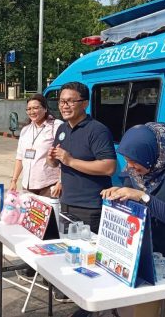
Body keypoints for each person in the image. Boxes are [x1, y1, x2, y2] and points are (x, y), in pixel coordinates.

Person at [101, 123, 165, 317]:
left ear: (150, 155)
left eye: (133, 162)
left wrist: (142, 197)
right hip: (153, 255)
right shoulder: (140, 167)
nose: (129, 167)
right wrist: (118, 194)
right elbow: (131, 194)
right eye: (127, 161)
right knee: (142, 310)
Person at [47, 82, 117, 234]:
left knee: (86, 256)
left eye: (71, 101)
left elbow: (109, 167)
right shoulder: (62, 128)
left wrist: (70, 161)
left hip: (90, 208)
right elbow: (55, 163)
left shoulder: (97, 130)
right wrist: (51, 158)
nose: (65, 106)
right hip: (66, 202)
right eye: (61, 101)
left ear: (85, 103)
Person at [9, 93, 62, 197]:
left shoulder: (56, 126)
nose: (31, 112)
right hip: (28, 186)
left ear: (45, 108)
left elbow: (63, 157)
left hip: (48, 186)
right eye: (28, 109)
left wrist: (61, 182)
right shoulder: (26, 130)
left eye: (35, 108)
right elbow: (20, 158)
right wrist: (14, 181)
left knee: (50, 213)